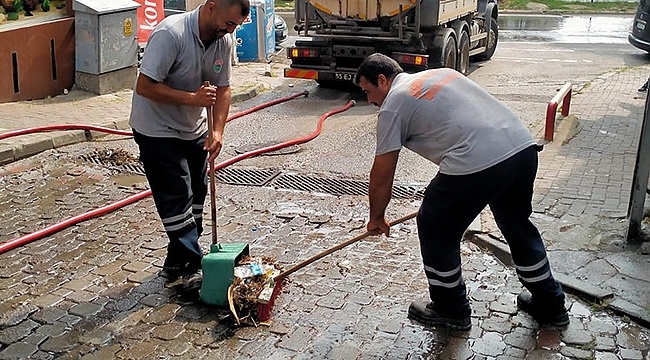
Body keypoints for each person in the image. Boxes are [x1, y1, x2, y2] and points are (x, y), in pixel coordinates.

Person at [355, 53, 569, 331]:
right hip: (521, 148)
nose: (370, 101)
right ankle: (550, 304)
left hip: (477, 161)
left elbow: (383, 173)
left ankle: (450, 308)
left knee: (435, 225)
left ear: (382, 80)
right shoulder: (441, 73)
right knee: (517, 226)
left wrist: (376, 217)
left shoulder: (393, 104)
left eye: (368, 91)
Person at [129, 0, 250, 291]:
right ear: (211, 8)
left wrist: (218, 131)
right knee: (176, 195)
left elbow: (223, 89)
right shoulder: (171, 34)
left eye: (235, 26)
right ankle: (195, 267)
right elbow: (144, 85)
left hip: (192, 128)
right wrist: (192, 99)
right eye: (229, 23)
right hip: (156, 128)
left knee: (197, 193)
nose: (230, 30)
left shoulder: (224, 41)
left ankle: (176, 261)